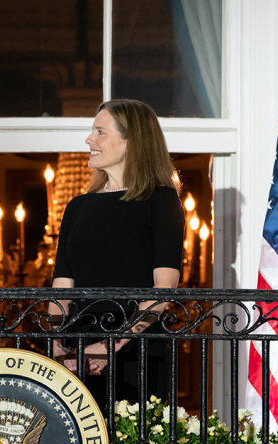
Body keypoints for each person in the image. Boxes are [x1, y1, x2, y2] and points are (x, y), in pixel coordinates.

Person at [50, 99, 185, 408]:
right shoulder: (77, 206)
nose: (89, 140)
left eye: (100, 132)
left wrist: (110, 347)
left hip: (137, 351)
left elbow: (163, 289)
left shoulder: (161, 200)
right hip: (77, 353)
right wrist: (57, 343)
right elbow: (61, 285)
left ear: (131, 142)